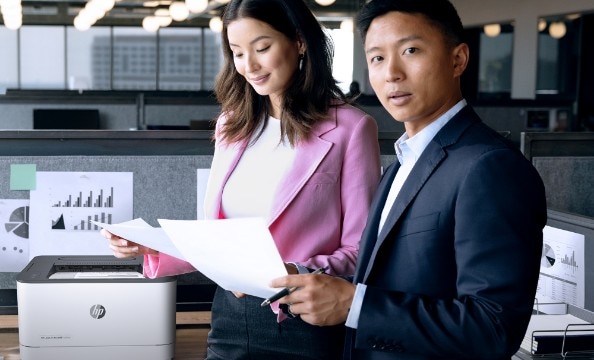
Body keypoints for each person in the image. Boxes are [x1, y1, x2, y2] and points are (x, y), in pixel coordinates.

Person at [102, 0, 381, 359]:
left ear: (298, 42)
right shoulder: (232, 126)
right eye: (237, 53)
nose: (249, 66)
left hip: (303, 321)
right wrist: (150, 245)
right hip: (231, 318)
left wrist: (293, 270)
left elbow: (362, 252)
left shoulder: (352, 129)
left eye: (262, 48)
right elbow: (218, 238)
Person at [270, 0, 548, 359]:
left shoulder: (491, 167)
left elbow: (493, 328)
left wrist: (355, 306)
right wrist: (312, 283)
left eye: (411, 50)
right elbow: (387, 284)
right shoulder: (400, 166)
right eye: (377, 58)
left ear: (458, 60)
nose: (392, 74)